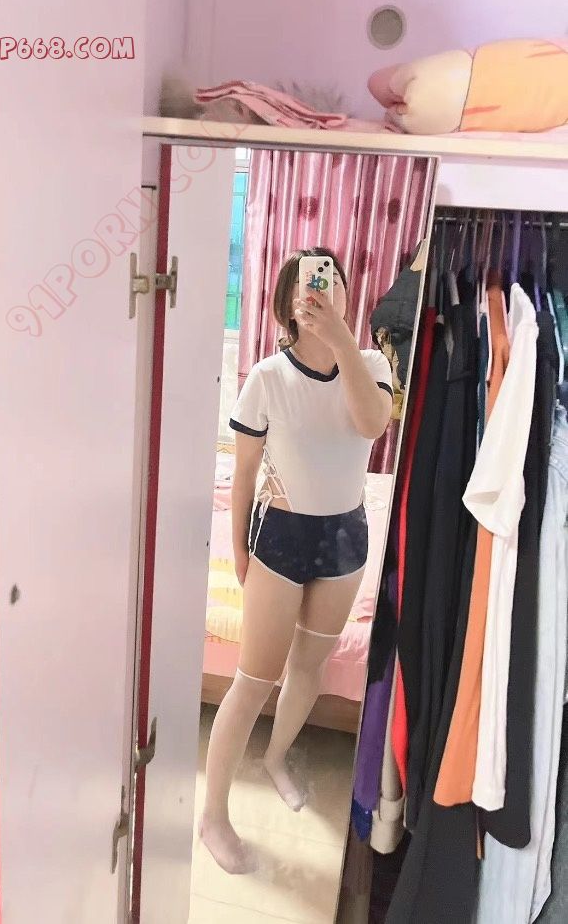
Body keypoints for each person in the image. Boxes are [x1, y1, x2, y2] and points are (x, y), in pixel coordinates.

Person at [199, 247, 393, 874]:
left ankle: (276, 757)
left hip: (345, 538)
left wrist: (341, 342)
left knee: (309, 665)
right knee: (253, 680)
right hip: (280, 536)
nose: (321, 289)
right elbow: (245, 471)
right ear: (287, 303)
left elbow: (371, 424)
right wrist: (238, 549)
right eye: (308, 282)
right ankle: (212, 816)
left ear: (346, 295)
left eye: (331, 280)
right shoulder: (266, 376)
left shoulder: (370, 364)